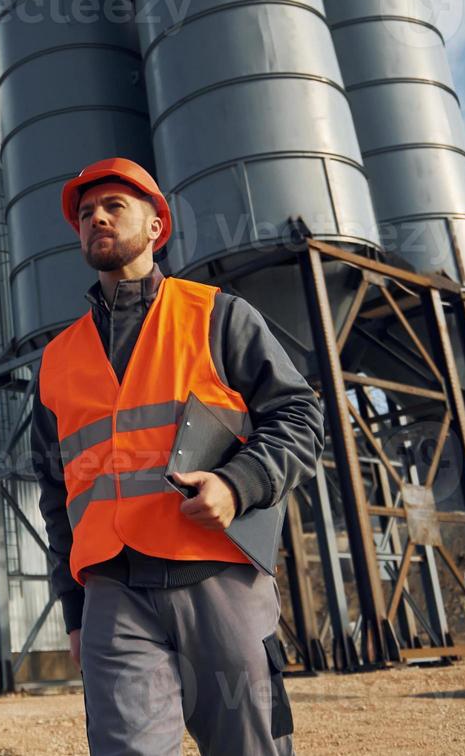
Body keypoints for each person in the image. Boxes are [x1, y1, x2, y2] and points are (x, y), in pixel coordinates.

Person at [28, 157, 324, 755]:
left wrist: (237, 485)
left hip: (217, 576)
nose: (97, 219)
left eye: (114, 207)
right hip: (113, 594)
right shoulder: (58, 359)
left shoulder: (216, 315)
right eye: (86, 214)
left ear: (156, 227)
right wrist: (75, 609)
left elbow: (299, 416)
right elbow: (55, 492)